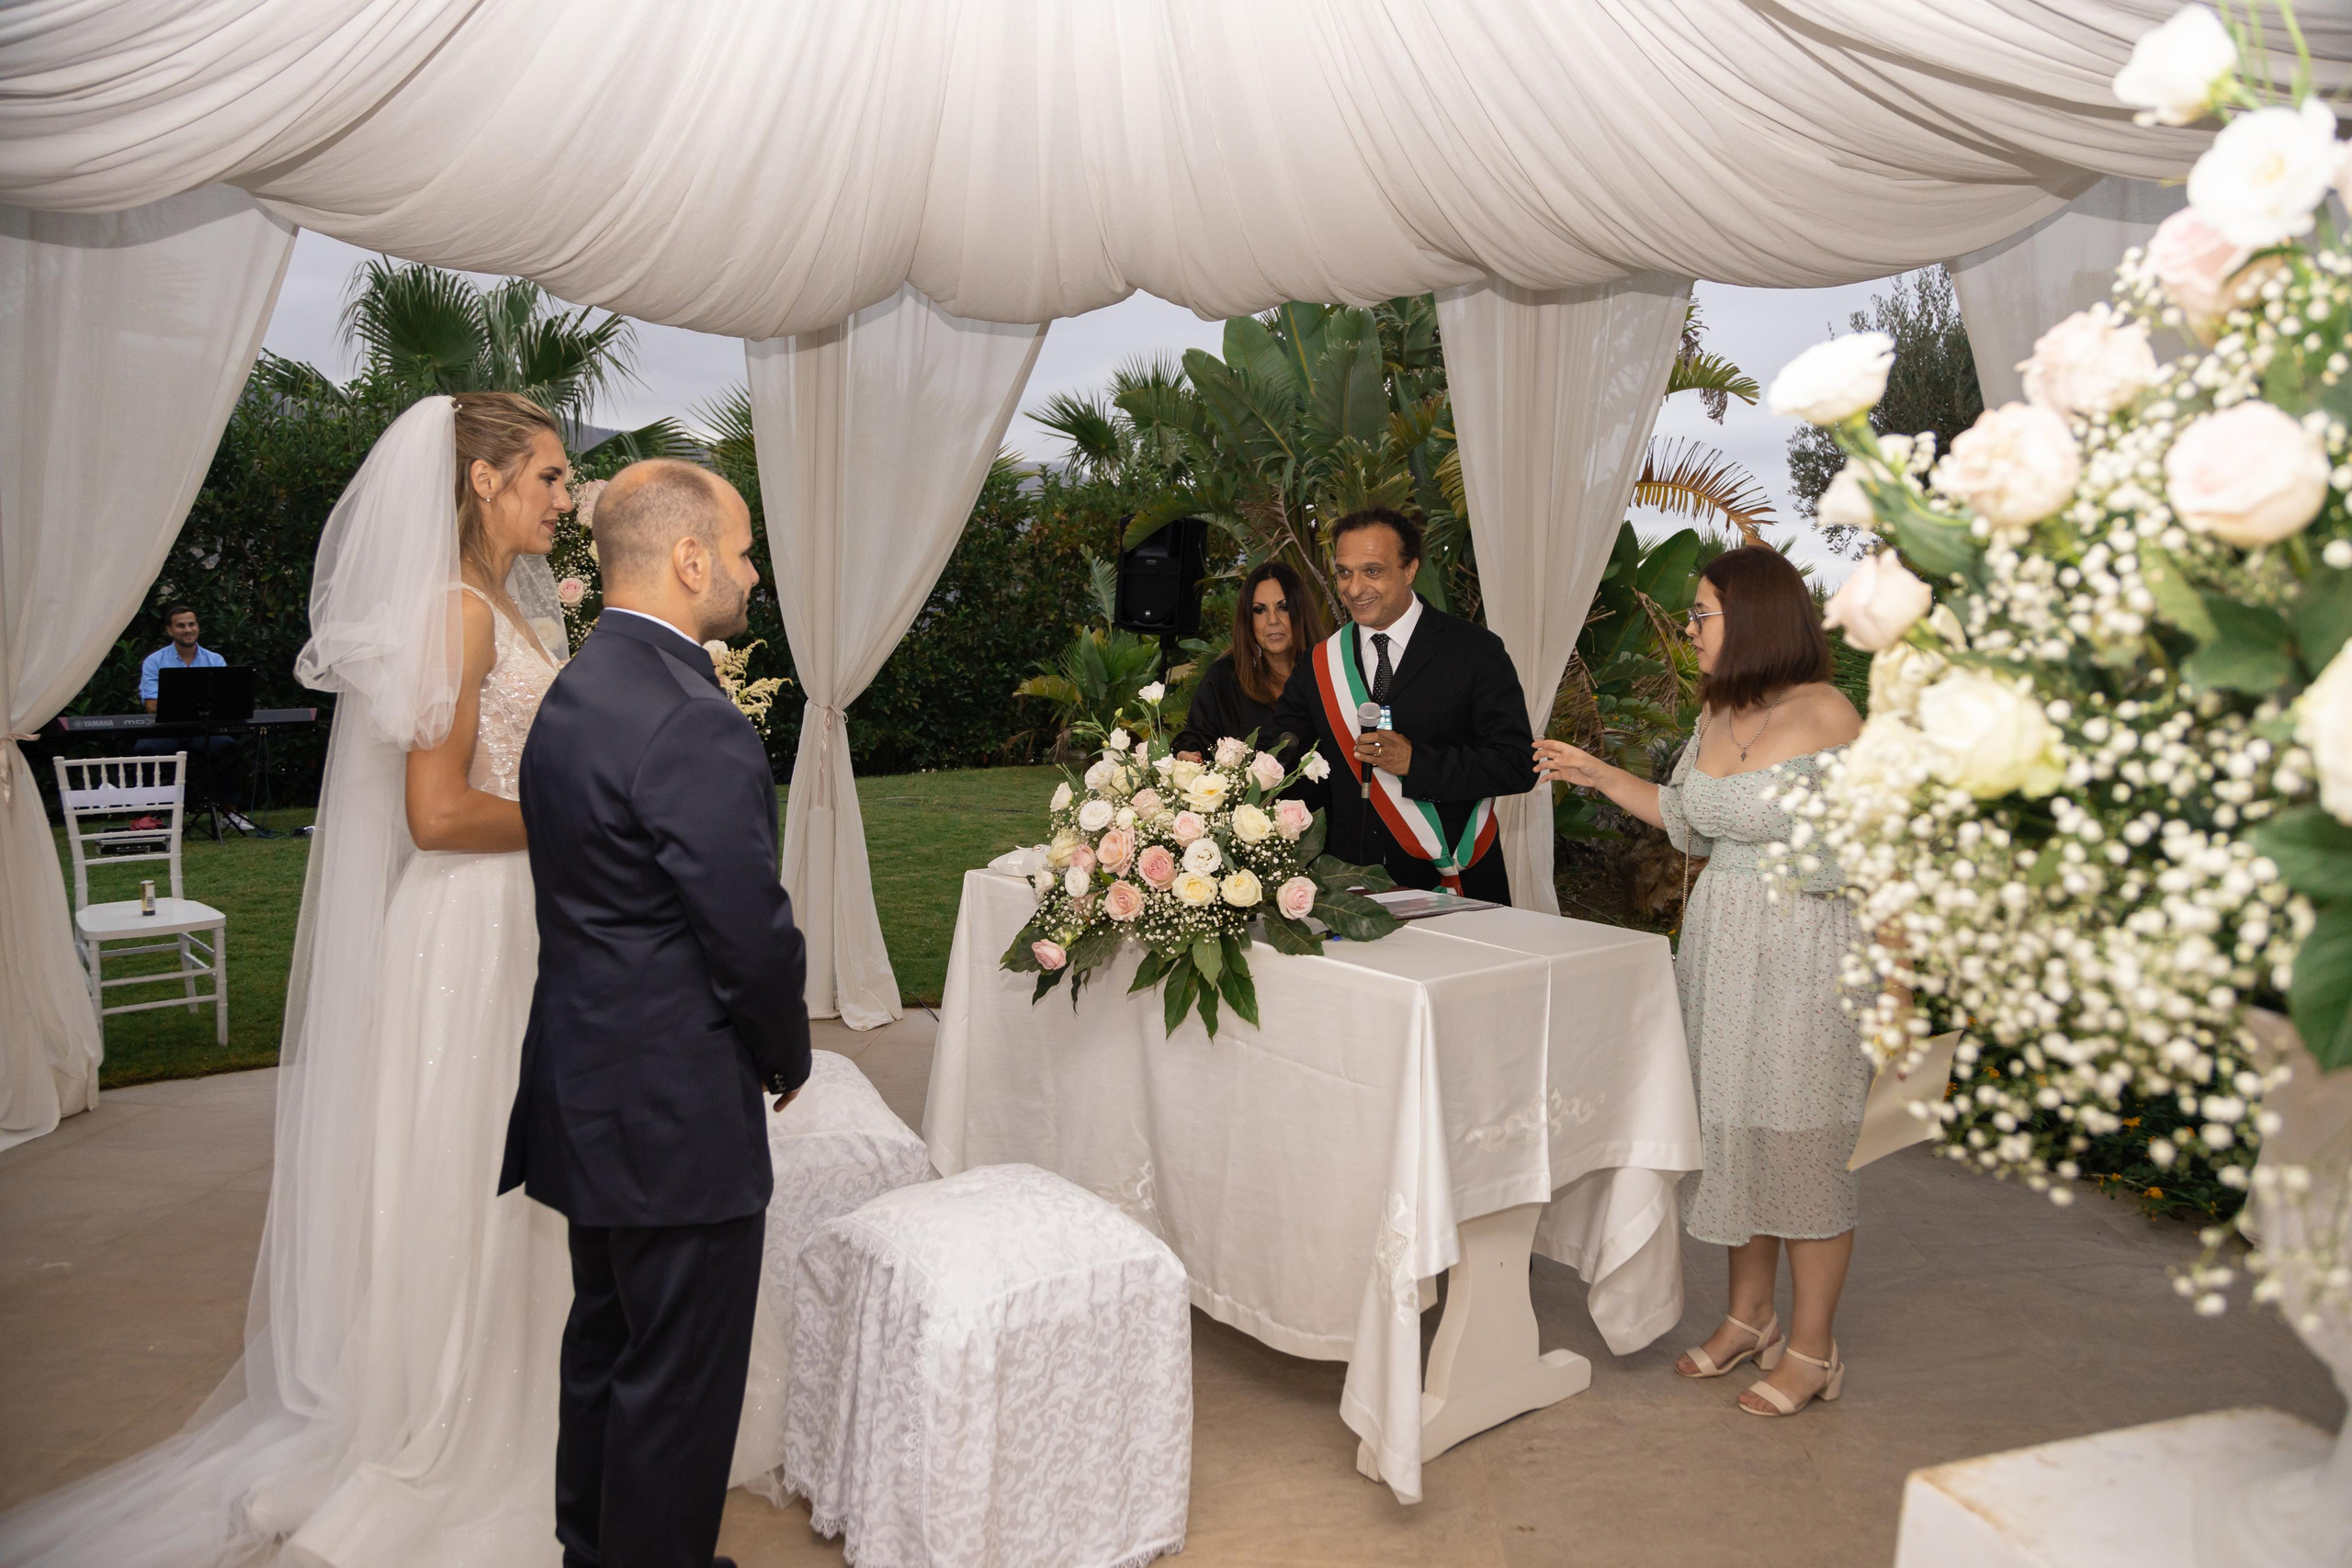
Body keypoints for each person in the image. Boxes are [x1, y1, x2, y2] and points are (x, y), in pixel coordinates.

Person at [0, 400, 786, 1568]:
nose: (565, 501)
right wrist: (591, 828)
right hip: (474, 924)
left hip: (546, 921)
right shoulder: (456, 619)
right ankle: (464, 1421)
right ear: (482, 483)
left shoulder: (524, 613)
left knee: (581, 1238)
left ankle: (572, 1484)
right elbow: (433, 811)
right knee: (481, 1183)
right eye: (550, 478)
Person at [501, 459, 812, 1568]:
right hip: (676, 1105)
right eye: (738, 548)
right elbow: (748, 933)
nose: (749, 569)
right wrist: (786, 1050)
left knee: (609, 1348)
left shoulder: (580, 686)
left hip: (588, 1087)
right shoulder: (691, 717)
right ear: (689, 559)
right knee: (676, 1387)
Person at [1533, 545, 1867, 1419]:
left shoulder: (1829, 714)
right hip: (1723, 951)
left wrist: (1898, 982)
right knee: (1733, 1136)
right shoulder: (1716, 716)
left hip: (1808, 955)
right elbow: (1686, 823)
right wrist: (1597, 774)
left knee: (1800, 1148)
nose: (1690, 628)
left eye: (1702, 613)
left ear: (1751, 617)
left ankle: (1814, 1349)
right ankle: (1749, 1316)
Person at [1266, 507, 1534, 902]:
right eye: (1343, 572)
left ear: (1409, 569)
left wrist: (1417, 763)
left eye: (1372, 571)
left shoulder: (1475, 651)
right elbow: (1280, 752)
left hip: (1452, 879)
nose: (1354, 589)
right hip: (1346, 890)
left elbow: (1516, 764)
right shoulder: (1320, 662)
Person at [1173, 558, 1329, 761]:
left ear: (1301, 612)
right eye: (1260, 610)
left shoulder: (1329, 673)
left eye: (1283, 607)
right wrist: (1185, 754)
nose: (1273, 620)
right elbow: (1197, 739)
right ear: (1248, 619)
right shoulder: (1225, 677)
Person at [133, 605, 250, 829]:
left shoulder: (215, 660)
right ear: (170, 630)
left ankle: (228, 815)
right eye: (181, 625)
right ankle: (151, 816)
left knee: (230, 747)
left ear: (197, 627)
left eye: (192, 624)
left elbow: (227, 700)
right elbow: (151, 705)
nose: (187, 629)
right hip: (166, 731)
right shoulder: (154, 661)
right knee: (145, 749)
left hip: (204, 730)